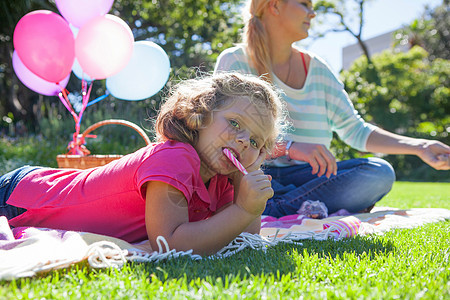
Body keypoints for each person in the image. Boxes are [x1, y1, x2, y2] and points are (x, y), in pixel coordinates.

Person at [0, 72, 286, 256]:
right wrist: (243, 209)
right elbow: (170, 244)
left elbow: (241, 241)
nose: (243, 141)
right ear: (201, 114)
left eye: (257, 142)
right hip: (22, 199)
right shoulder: (176, 157)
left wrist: (246, 187)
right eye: (235, 123)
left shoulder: (223, 181)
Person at [214, 0, 450, 217]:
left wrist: (421, 146)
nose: (312, 13)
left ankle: (271, 208)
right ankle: (295, 205)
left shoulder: (319, 69)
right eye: (304, 4)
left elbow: (355, 130)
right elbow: (226, 135)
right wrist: (291, 148)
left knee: (378, 173)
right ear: (275, 5)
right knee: (243, 181)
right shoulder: (234, 61)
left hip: (312, 179)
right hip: (254, 174)